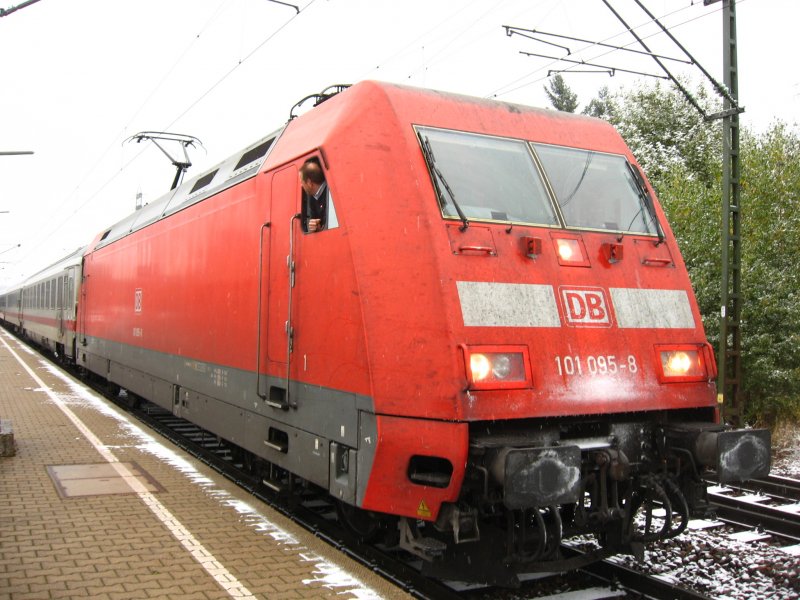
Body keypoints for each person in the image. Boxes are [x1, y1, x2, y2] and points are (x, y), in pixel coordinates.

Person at [299, 158, 328, 233]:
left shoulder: (329, 194)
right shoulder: (312, 198)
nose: (301, 185)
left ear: (309, 183)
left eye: (302, 182)